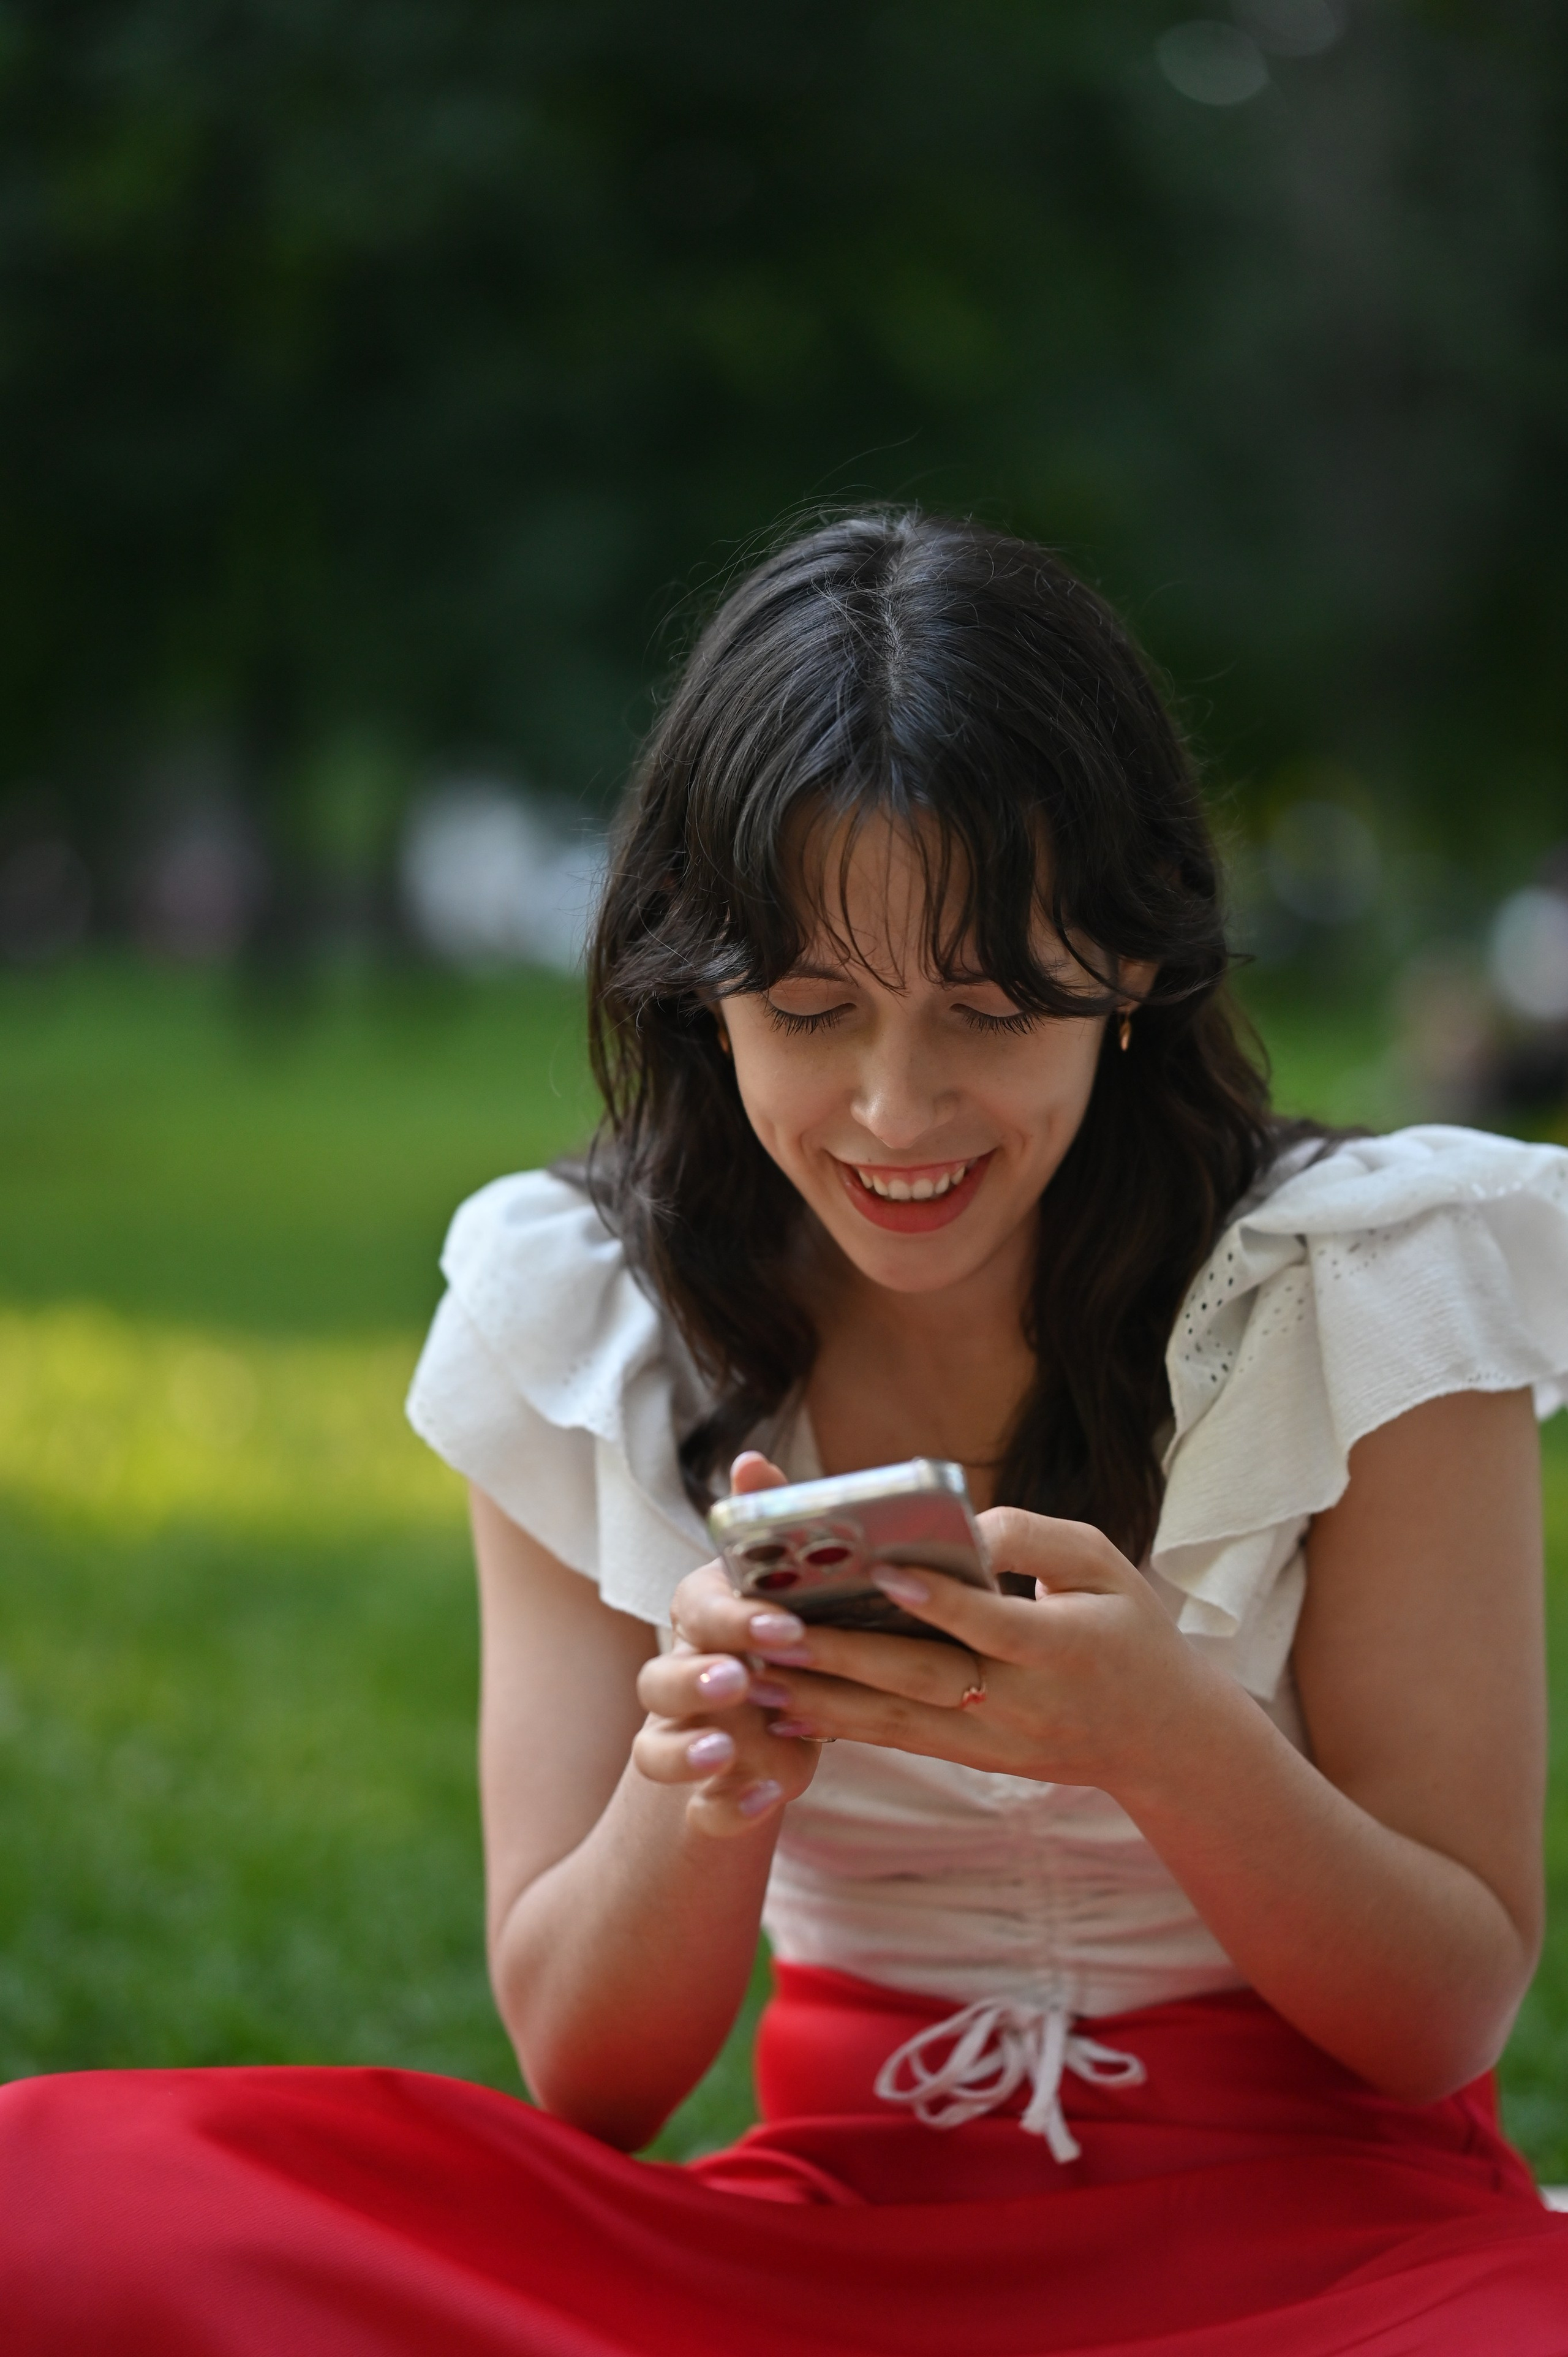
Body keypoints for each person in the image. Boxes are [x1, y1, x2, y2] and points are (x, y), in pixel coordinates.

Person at [6, 513, 1568, 2354]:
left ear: (1131, 968)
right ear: (702, 986)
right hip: (831, 2249)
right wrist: (700, 1792)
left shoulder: (1372, 1280)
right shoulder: (584, 1316)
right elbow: (589, 2077)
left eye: (987, 1009)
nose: (897, 1108)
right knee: (63, 2202)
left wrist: (1170, 1737)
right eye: (811, 1012)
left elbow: (1444, 2011)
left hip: (1347, 2257)